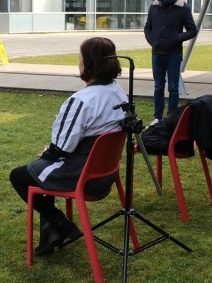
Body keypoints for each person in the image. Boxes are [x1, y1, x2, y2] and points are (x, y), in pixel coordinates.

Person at [10, 37, 127, 256]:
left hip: (83, 177)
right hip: (107, 175)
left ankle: (62, 224)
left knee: (20, 175)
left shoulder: (82, 100)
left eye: (80, 58)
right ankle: (50, 232)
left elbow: (61, 149)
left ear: (89, 63)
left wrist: (48, 151)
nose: (78, 63)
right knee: (43, 168)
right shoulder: (119, 92)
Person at [144, 0, 197, 125]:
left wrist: (177, 38)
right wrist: (152, 41)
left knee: (173, 87)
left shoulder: (182, 8)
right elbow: (147, 27)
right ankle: (157, 117)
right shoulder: (154, 6)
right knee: (158, 86)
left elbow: (192, 30)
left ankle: (171, 118)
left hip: (173, 54)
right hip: (157, 54)